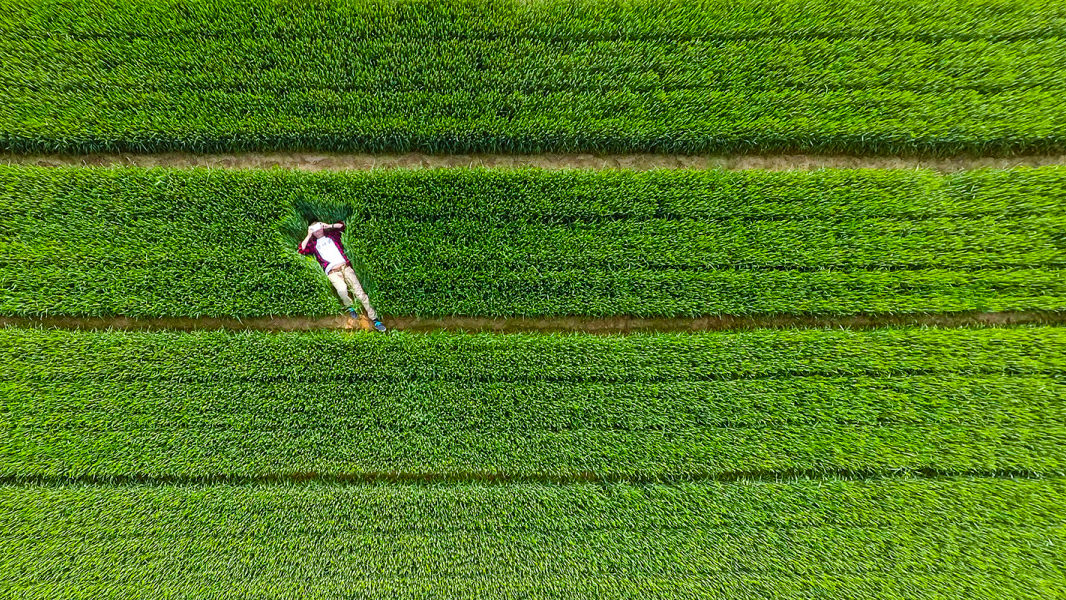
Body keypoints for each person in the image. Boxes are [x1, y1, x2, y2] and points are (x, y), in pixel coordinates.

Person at [299, 221, 387, 333]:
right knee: (342, 290)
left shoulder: (332, 236)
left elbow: (342, 226)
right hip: (332, 272)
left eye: (319, 227)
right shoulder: (313, 244)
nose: (318, 230)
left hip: (345, 268)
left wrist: (328, 226)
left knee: (360, 293)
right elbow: (301, 250)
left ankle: (375, 319)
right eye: (314, 229)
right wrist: (308, 234)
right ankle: (349, 306)